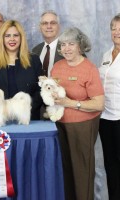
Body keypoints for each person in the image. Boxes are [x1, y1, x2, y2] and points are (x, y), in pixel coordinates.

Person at [50, 27, 104, 200]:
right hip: (59, 125)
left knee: (82, 171)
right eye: (63, 44)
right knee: (65, 170)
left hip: (83, 126)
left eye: (71, 44)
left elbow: (99, 103)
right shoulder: (57, 66)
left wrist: (71, 103)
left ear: (80, 46)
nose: (66, 48)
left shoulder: (89, 69)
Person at [0, 20, 43, 120]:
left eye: (16, 35)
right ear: (2, 38)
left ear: (21, 38)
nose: (12, 39)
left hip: (27, 118)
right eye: (7, 36)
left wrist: (26, 107)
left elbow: (40, 91)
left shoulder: (34, 60)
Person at [98, 13, 120, 200]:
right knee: (111, 166)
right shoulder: (106, 54)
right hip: (105, 119)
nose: (117, 32)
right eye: (114, 28)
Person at [32, 10, 63, 77]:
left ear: (59, 26)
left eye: (53, 23)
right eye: (45, 23)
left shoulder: (68, 49)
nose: (49, 26)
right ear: (40, 27)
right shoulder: (35, 50)